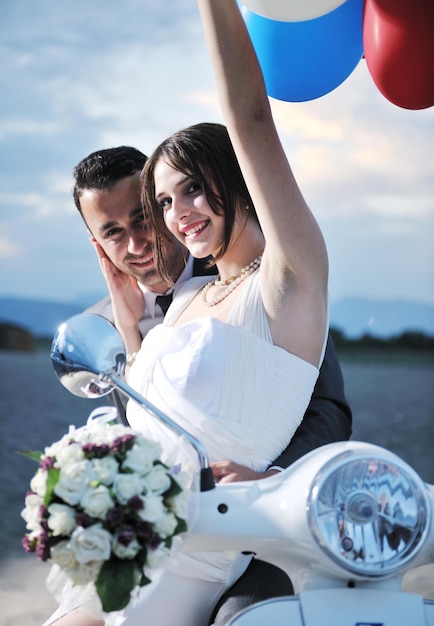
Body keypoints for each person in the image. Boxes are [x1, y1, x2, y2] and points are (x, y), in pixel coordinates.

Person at [45, 1, 351, 616]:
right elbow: (159, 417)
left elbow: (251, 118)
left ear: (233, 176)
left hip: (221, 546)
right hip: (137, 543)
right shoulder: (188, 296)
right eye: (165, 200)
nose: (176, 212)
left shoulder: (288, 280)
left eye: (191, 188)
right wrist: (132, 332)